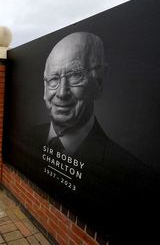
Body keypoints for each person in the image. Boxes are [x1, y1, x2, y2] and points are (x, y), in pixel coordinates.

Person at [23, 32, 158, 243]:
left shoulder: (138, 182)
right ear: (44, 87)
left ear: (99, 83)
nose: (61, 92)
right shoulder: (27, 136)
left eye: (76, 75)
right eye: (53, 79)